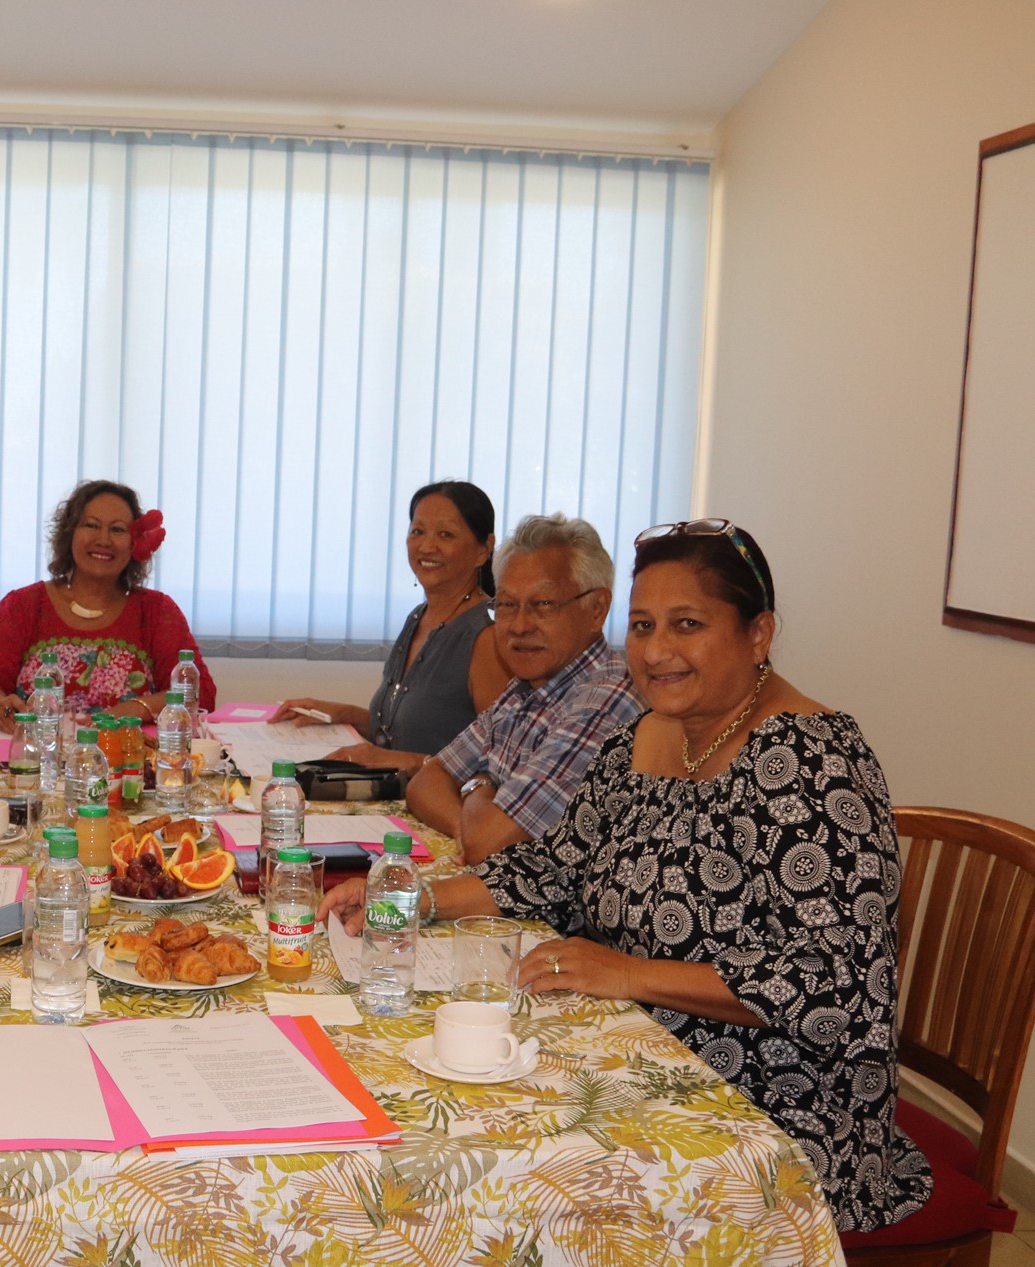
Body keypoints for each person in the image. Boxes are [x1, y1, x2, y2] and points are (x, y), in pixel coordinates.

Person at [321, 519, 929, 1233]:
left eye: (687, 624)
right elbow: (551, 869)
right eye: (643, 626)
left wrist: (627, 972)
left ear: (758, 634)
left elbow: (832, 982)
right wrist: (415, 897)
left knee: (500, 1179)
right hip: (640, 1051)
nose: (656, 650)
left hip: (775, 1114)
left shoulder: (812, 764)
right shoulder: (642, 737)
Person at [404, 512, 644, 862]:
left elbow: (488, 842)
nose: (519, 626)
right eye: (506, 605)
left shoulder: (604, 700)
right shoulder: (525, 689)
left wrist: (479, 786)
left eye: (542, 604)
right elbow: (426, 783)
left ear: (597, 609)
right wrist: (465, 826)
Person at [271, 480, 510, 776]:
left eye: (445, 534)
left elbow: (500, 761)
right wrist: (339, 714)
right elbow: (402, 733)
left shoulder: (486, 636)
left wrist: (402, 762)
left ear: (484, 549)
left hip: (441, 801)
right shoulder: (418, 617)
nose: (426, 546)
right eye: (417, 531)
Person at [0, 479, 215, 729]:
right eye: (91, 525)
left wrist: (129, 711)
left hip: (128, 754)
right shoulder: (23, 606)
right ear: (69, 534)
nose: (103, 540)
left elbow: (199, 692)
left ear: (135, 542)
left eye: (117, 529)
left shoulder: (157, 612)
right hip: (37, 751)